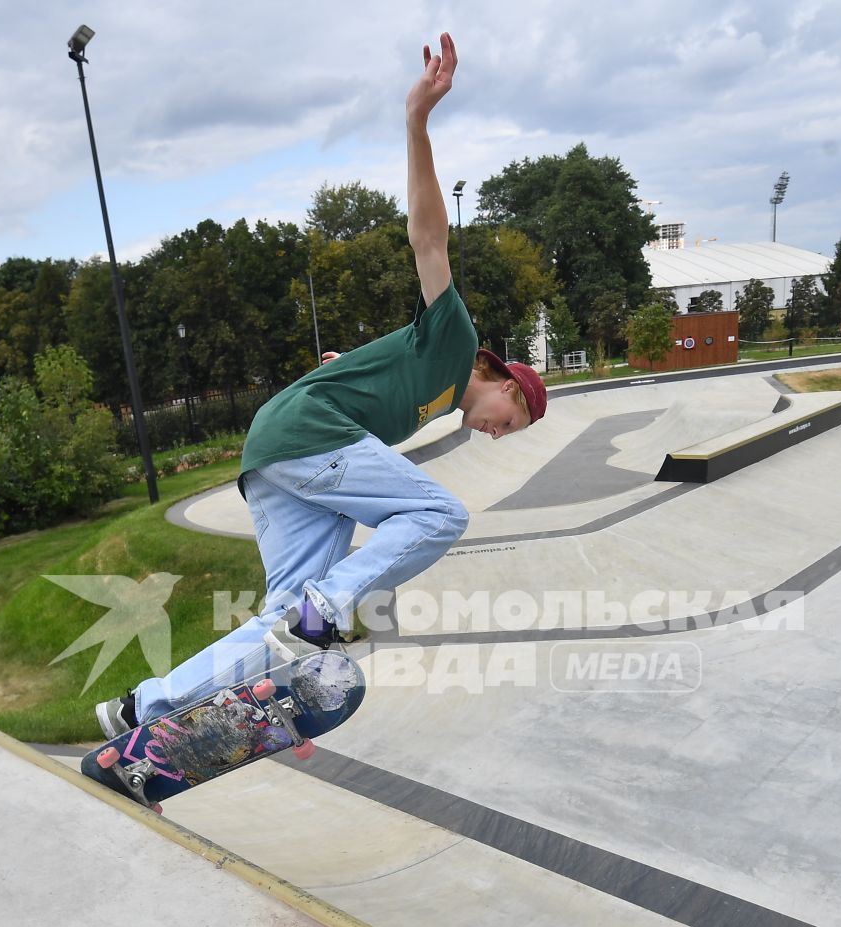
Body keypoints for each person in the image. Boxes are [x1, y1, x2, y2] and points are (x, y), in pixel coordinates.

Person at [94, 32, 546, 737]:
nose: (492, 432)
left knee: (281, 620)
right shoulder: (456, 342)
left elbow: (359, 379)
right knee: (439, 516)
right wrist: (417, 121)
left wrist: (333, 374)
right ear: (507, 386)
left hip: (278, 455)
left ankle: (143, 707)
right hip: (307, 441)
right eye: (505, 421)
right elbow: (428, 238)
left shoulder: (427, 394)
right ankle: (325, 614)